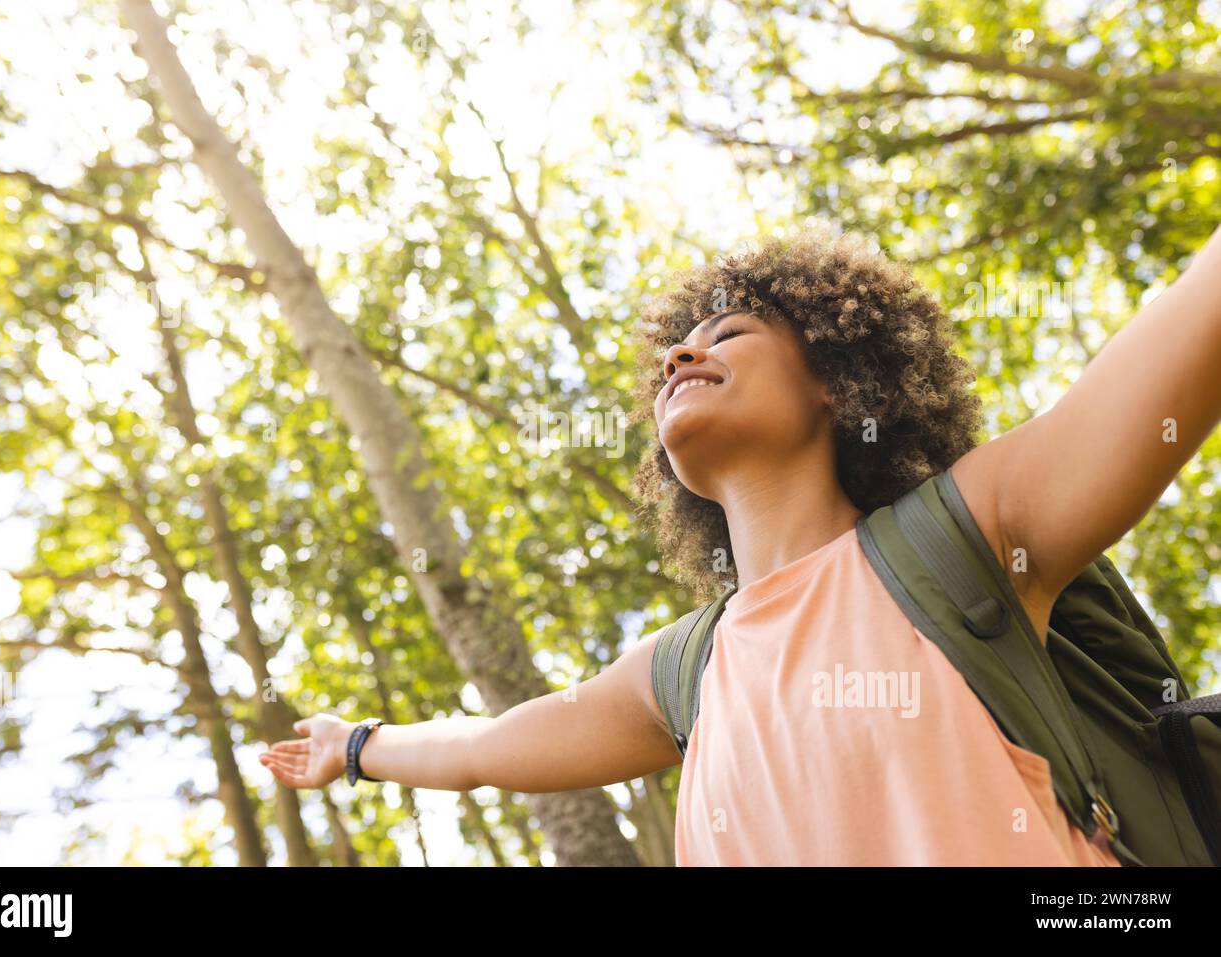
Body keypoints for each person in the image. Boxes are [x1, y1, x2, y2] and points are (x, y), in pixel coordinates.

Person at [260, 221, 1221, 865]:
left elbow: (1195, 317)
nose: (682, 354)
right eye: (676, 348)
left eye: (729, 333)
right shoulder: (683, 673)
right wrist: (358, 747)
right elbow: (485, 747)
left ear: (839, 385)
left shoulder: (969, 536)